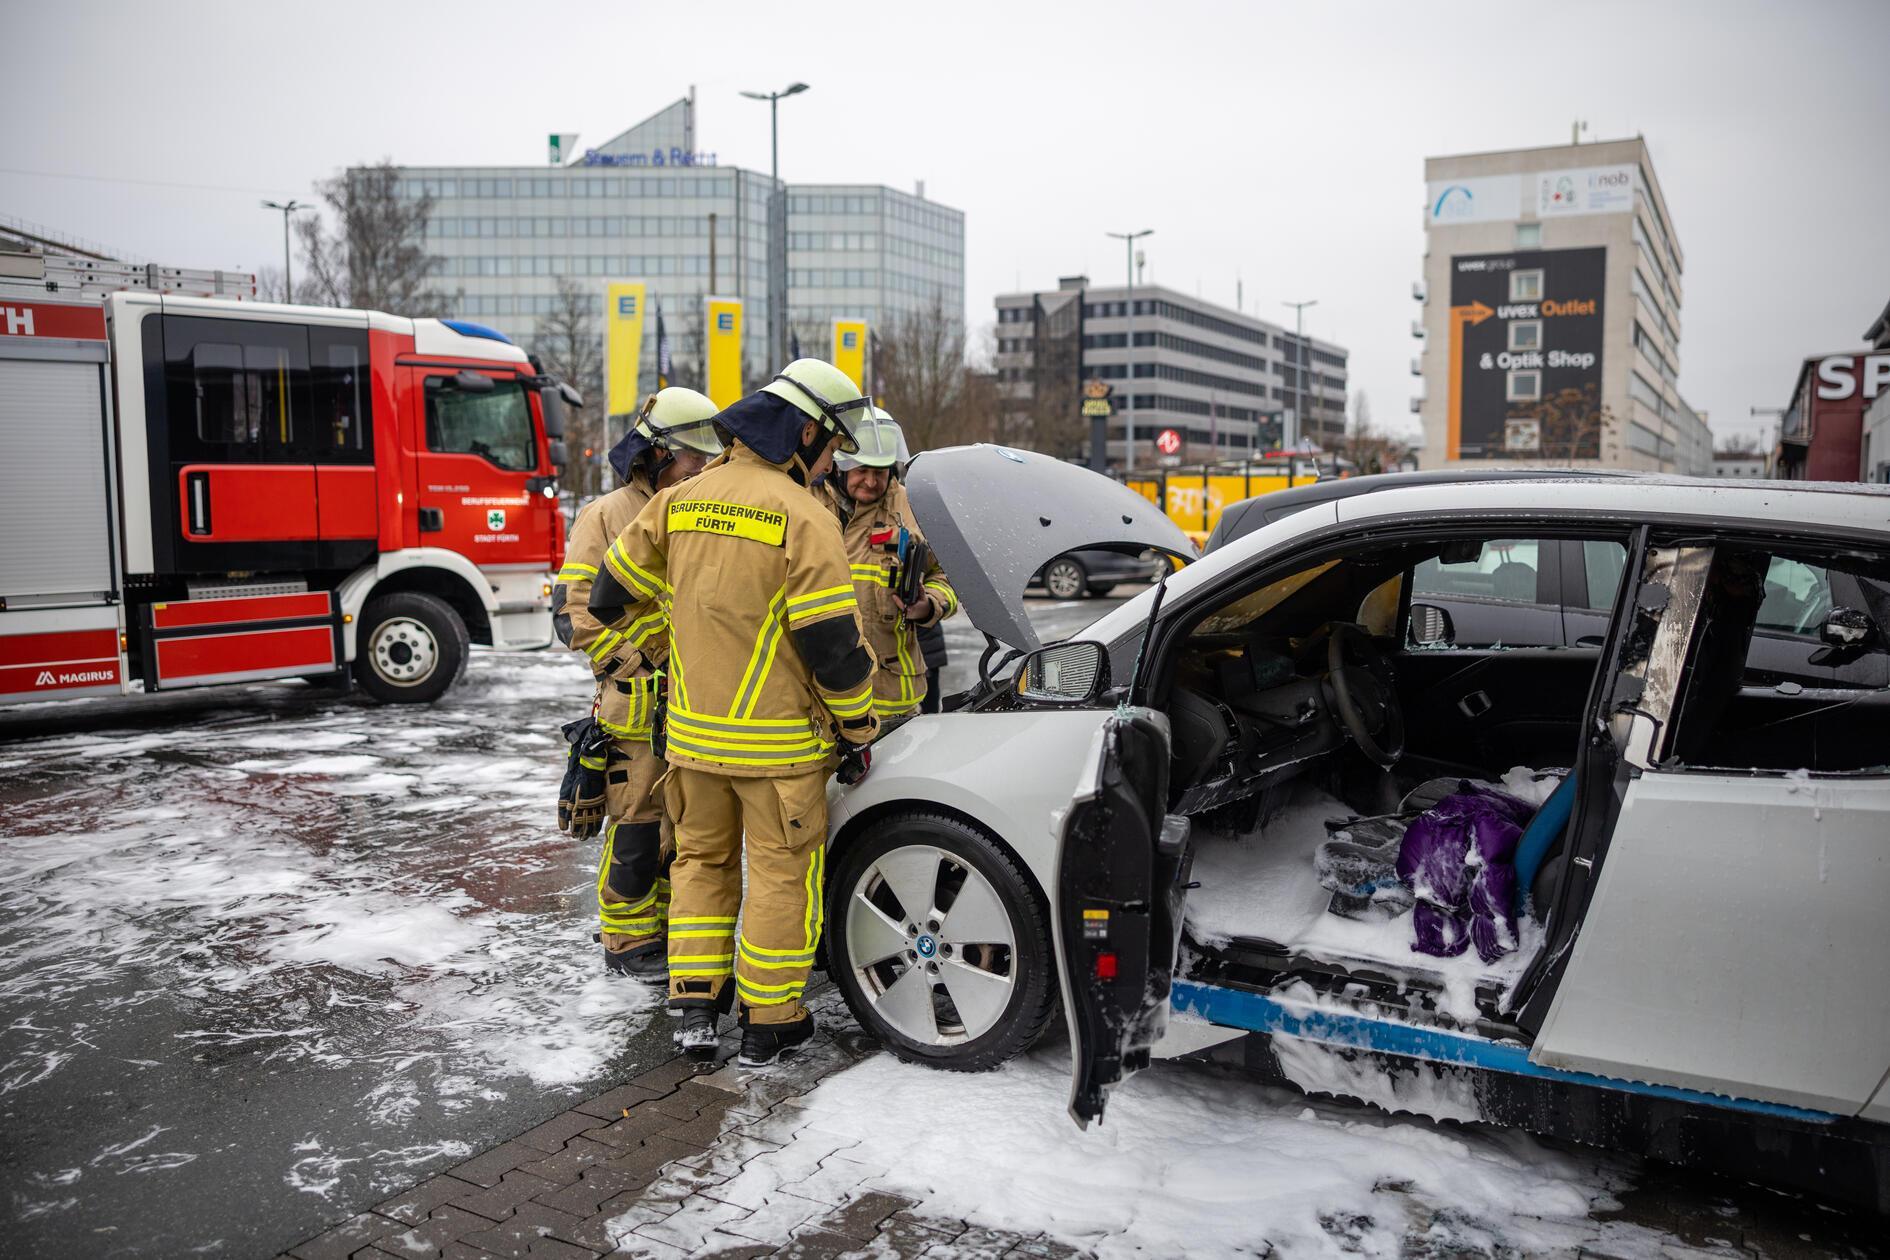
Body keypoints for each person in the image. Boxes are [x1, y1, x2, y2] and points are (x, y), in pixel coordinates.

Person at [589, 358, 880, 1066]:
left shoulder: (680, 500)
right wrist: (858, 727)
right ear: (806, 433)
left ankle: (695, 1007)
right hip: (778, 751)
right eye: (834, 446)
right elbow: (833, 648)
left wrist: (666, 647)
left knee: (699, 865)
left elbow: (606, 596)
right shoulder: (805, 516)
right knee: (780, 875)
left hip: (691, 743)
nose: (835, 463)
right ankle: (770, 1022)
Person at [553, 387, 721, 982]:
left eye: (708, 457)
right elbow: (573, 609)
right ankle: (627, 939)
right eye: (692, 456)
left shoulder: (701, 512)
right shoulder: (607, 514)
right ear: (656, 453)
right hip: (635, 707)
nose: (702, 467)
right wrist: (634, 663)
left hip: (695, 702)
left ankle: (672, 927)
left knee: (684, 829)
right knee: (637, 827)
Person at [824, 408, 957, 719]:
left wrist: (928, 605)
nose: (871, 481)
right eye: (862, 470)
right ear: (841, 466)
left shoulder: (914, 508)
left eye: (880, 472)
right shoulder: (807, 503)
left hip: (892, 699)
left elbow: (948, 576)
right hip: (824, 698)